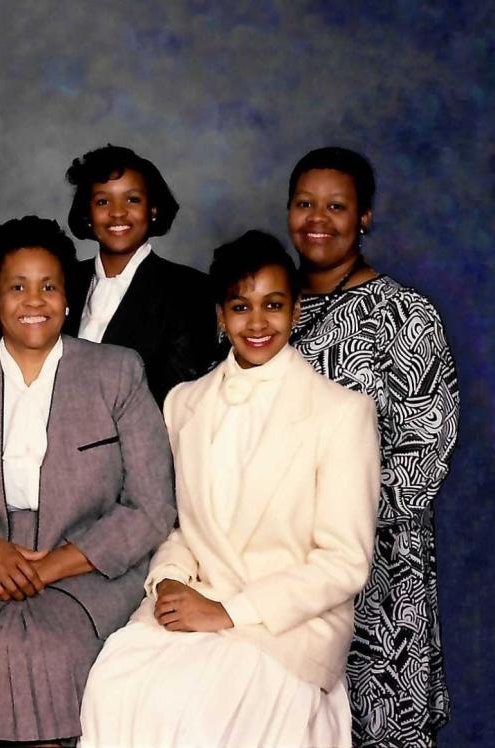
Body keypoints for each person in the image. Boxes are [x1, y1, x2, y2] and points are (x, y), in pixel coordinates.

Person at [80, 230, 380, 748]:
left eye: (274, 305)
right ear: (220, 314)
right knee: (116, 683)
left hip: (286, 625)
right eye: (241, 307)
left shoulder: (340, 412)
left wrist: (228, 613)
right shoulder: (183, 403)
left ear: (297, 309)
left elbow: (345, 561)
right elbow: (175, 525)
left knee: (203, 713)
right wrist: (170, 580)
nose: (258, 323)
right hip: (197, 599)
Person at [0, 216, 176, 745]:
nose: (34, 300)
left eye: (49, 286)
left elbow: (150, 506)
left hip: (85, 567)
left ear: (68, 299)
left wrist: (48, 568)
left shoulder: (116, 372)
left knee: (56, 650)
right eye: (17, 287)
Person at [286, 147, 459, 747]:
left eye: (337, 206)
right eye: (305, 203)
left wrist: (324, 529)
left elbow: (422, 459)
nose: (318, 219)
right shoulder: (262, 311)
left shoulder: (406, 316)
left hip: (378, 573)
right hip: (275, 568)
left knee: (374, 728)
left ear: (364, 217)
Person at [64, 144, 216, 403]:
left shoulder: (190, 290)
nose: (118, 212)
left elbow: (180, 398)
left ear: (153, 209)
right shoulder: (62, 282)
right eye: (103, 201)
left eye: (132, 199)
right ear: (87, 214)